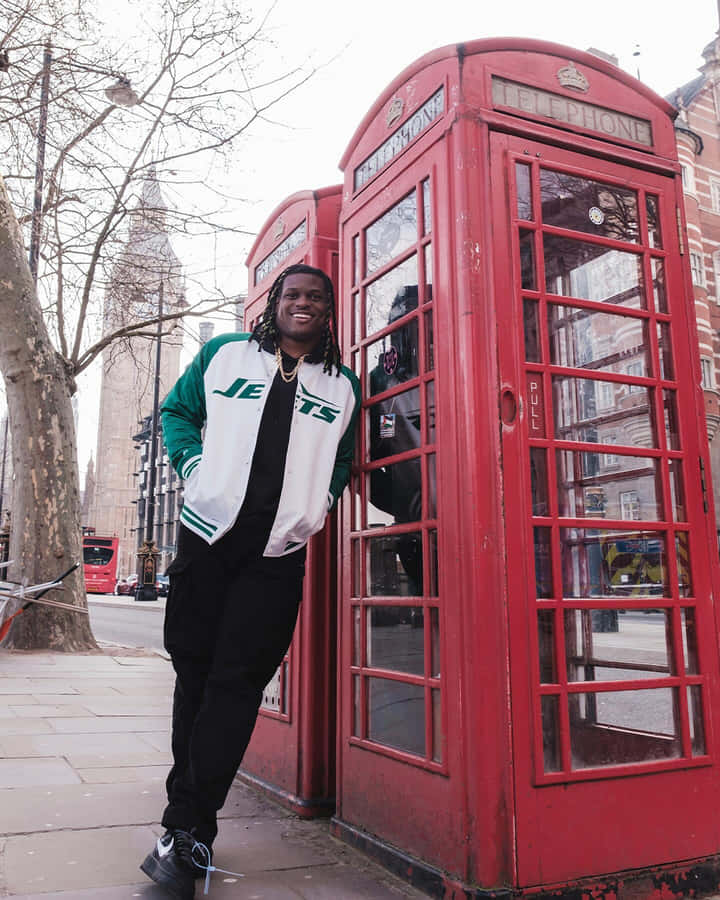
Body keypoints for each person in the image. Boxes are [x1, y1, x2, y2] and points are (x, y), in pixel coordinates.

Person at [140, 263, 361, 899]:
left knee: (236, 686)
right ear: (275, 303)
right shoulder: (224, 354)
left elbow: (342, 458)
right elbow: (177, 412)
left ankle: (187, 826)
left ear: (327, 311)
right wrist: (194, 465)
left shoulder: (340, 386)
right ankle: (188, 816)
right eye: (293, 294)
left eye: (315, 298)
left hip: (276, 554)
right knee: (195, 674)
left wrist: (319, 506)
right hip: (206, 540)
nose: (304, 305)